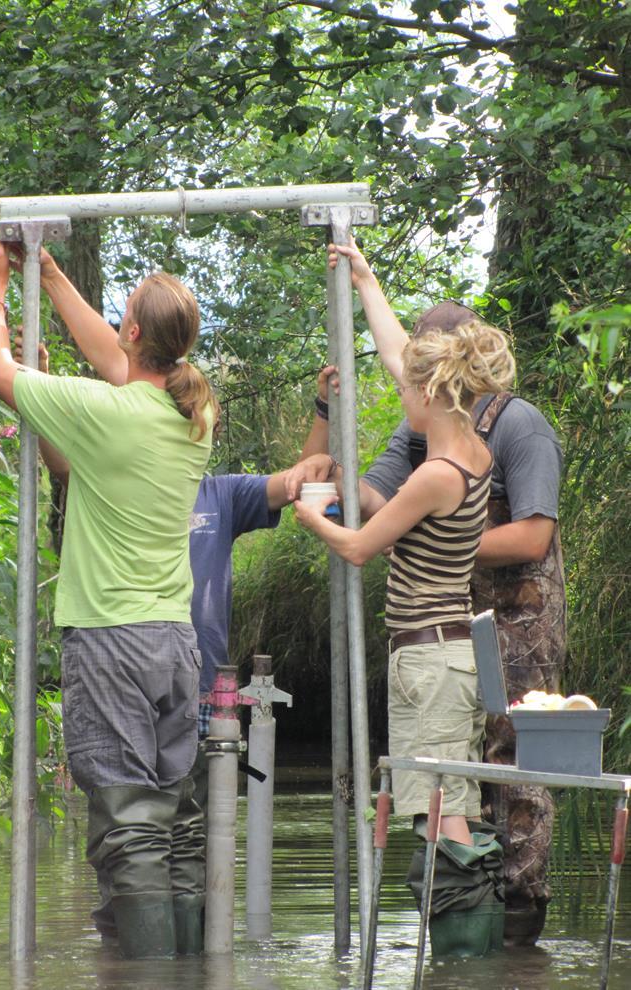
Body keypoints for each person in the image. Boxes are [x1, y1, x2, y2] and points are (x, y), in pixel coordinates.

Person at [294, 241, 565, 945]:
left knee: (458, 808)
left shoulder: (454, 463)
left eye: (410, 381)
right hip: (456, 646)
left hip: (459, 650)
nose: (399, 388)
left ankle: (483, 941)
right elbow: (402, 362)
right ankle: (473, 942)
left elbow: (361, 546)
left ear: (436, 386)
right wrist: (365, 278)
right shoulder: (464, 442)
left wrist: (313, 514)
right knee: (454, 804)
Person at [0, 236, 218, 960]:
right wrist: (48, 277)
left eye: (122, 321)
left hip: (111, 641)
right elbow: (120, 365)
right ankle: (186, 975)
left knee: (126, 823)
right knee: (174, 821)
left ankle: (147, 980)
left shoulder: (104, 411)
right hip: (174, 643)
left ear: (135, 332)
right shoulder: (195, 416)